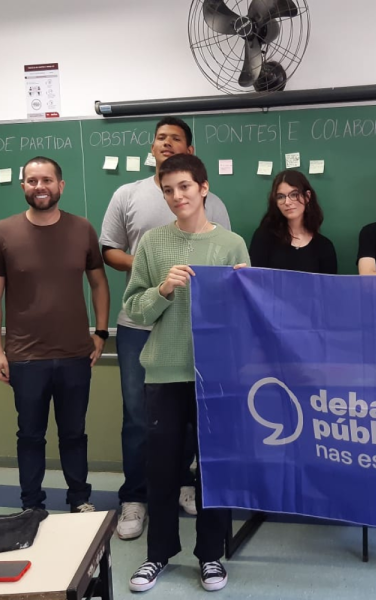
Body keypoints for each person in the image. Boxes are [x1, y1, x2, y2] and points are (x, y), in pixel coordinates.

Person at [100, 116, 231, 539]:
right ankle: (135, 497)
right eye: (161, 138)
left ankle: (184, 486)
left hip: (195, 331)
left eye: (176, 138)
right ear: (153, 148)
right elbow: (109, 250)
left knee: (192, 417)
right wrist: (153, 272)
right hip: (142, 322)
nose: (167, 144)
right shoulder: (128, 194)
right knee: (141, 416)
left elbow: (222, 266)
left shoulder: (218, 209)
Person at [124, 153, 249, 593]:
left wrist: (241, 289)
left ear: (203, 189)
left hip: (215, 376)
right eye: (168, 190)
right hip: (165, 372)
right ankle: (157, 554)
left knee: (213, 472)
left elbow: (246, 315)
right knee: (161, 470)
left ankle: (210, 556)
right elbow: (133, 308)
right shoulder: (154, 245)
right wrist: (163, 289)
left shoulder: (232, 244)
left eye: (184, 187)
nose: (177, 196)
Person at [0, 156, 110, 513]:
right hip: (25, 356)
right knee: (30, 436)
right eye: (32, 181)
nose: (39, 187)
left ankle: (80, 499)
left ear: (61, 185)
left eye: (46, 180)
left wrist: (102, 333)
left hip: (75, 354)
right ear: (23, 187)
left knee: (74, 435)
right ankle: (32, 505)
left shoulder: (82, 229)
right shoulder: (4, 232)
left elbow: (99, 283)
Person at [249, 170, 337, 273]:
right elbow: (254, 281)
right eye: (280, 197)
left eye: (294, 195)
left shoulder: (324, 246)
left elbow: (328, 287)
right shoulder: (264, 237)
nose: (287, 202)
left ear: (307, 197)